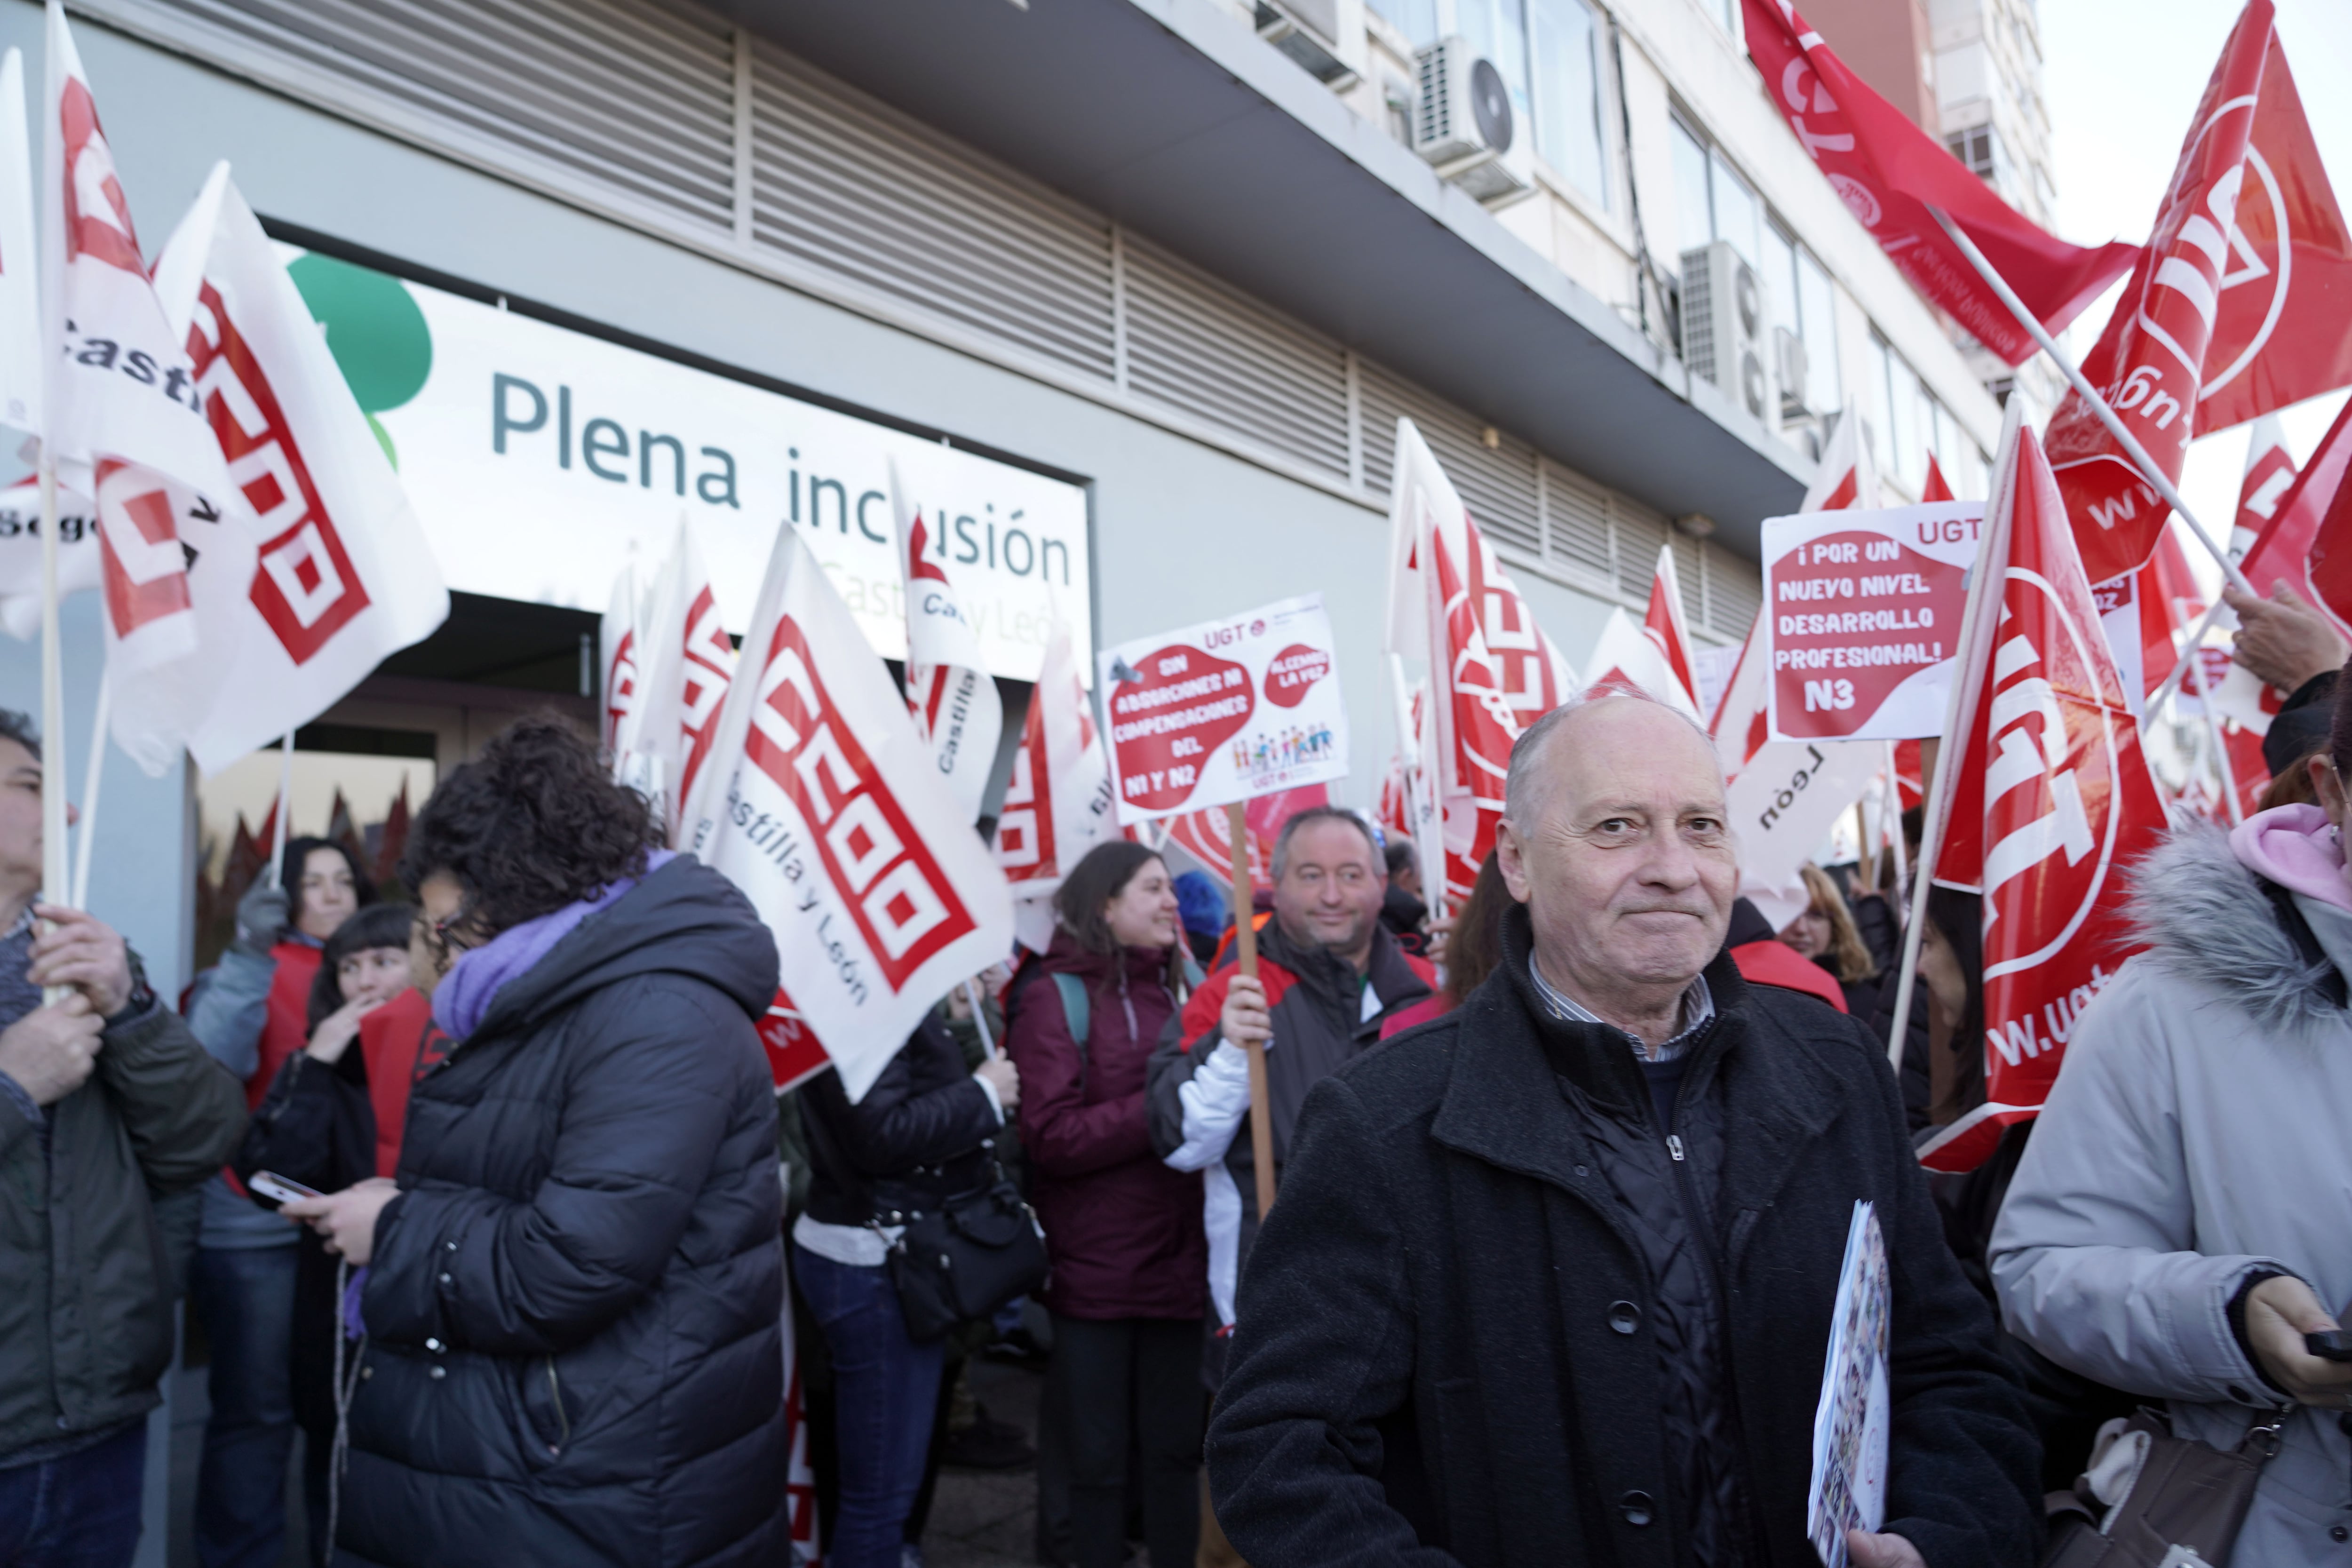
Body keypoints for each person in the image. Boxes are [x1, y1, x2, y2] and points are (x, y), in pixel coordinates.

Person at [1207, 693, 2040, 1568]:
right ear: (1518, 860)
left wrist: (1941, 1537)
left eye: (1702, 825)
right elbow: (1281, 1451)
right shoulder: (1384, 1122)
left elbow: (1947, 1363)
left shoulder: (1836, 1066)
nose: (1674, 867)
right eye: (1617, 826)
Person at [278, 715, 788, 1567]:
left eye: (446, 927)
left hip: (594, 1478)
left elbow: (571, 1263)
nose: (436, 953)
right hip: (541, 1465)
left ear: (514, 890)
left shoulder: (658, 1013)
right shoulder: (558, 992)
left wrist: (396, 1228)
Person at [1991, 664, 2352, 1567]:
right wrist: (2232, 1316)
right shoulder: (2169, 1002)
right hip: (2273, 1523)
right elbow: (2043, 1266)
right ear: (2332, 788)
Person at [0, 708, 248, 1566]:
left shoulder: (88, 958)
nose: (66, 813)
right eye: (33, 787)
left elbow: (203, 1140)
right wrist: (10, 1086)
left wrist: (133, 1011)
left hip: (95, 1428)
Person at [1147, 804, 1434, 1389]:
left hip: (1412, 1293)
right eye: (1310, 875)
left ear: (1381, 886)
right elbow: (1177, 1141)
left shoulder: (1427, 991)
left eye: (1351, 874)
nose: (1332, 895)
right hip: (1273, 1295)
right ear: (1274, 886)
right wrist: (1226, 1049)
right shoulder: (1233, 992)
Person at [1004, 842, 1205, 1568]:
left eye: (1171, 889)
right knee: (1095, 1464)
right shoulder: (1054, 997)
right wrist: (1163, 1108)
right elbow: (1050, 1136)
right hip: (1096, 1273)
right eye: (1153, 889)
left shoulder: (1183, 985)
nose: (1171, 902)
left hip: (1184, 1265)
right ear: (1105, 905)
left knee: (1177, 1455)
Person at [184, 834, 376, 1568]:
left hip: (349, 1230)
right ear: (281, 895)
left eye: (342, 880)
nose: (329, 895)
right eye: (310, 881)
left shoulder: (384, 970)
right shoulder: (246, 969)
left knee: (343, 1420)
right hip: (254, 1225)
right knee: (256, 1418)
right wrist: (246, 954)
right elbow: (208, 1067)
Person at [795, 977, 1022, 1568]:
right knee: (879, 1495)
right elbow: (878, 1134)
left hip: (875, 1253)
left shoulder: (865, 996)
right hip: (873, 1263)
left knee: (882, 1486)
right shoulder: (861, 999)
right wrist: (982, 1094)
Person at [230, 902, 418, 1564]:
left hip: (427, 1317)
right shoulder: (319, 1065)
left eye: (386, 961)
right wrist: (318, 1059)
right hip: (335, 1318)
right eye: (350, 967)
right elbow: (267, 1176)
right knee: (334, 1496)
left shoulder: (453, 1058)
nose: (368, 981)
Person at [1776, 862, 1881, 1015]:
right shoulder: (1742, 996)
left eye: (1816, 915)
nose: (1801, 929)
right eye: (1790, 913)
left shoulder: (1865, 1003)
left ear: (1836, 926)